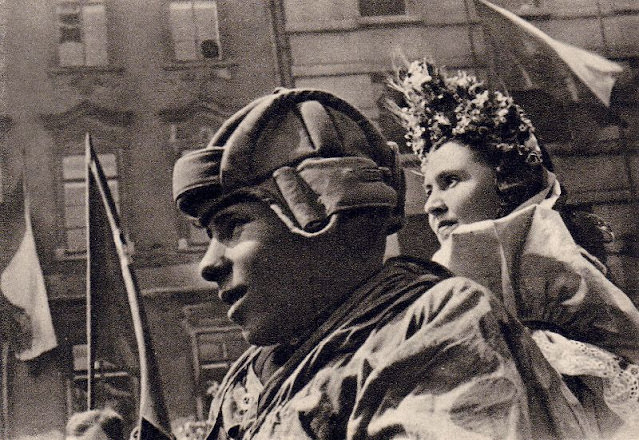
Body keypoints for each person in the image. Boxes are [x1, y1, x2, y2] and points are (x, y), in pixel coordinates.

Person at [172, 87, 603, 439]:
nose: (208, 265)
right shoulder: (250, 374)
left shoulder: (436, 325)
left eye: (232, 226)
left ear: (320, 215)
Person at [387, 60, 639, 435]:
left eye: (451, 181)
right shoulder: (425, 299)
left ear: (506, 185)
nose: (431, 205)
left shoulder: (564, 290)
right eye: (428, 189)